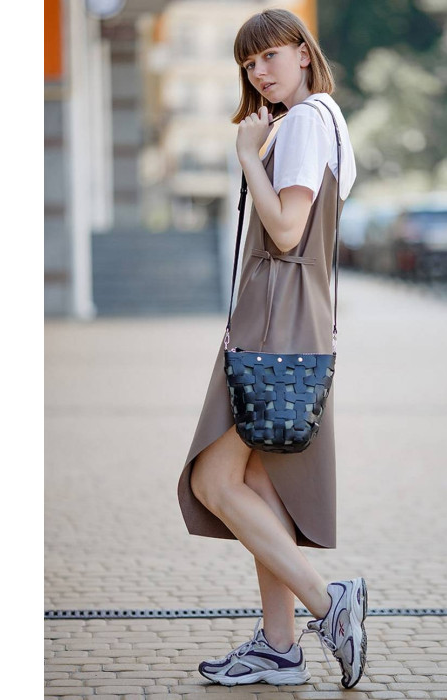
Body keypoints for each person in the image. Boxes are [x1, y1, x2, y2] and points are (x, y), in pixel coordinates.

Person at [176, 8, 367, 689]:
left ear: (304, 53)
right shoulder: (322, 120)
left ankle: (327, 603)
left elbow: (286, 230)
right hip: (293, 316)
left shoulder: (307, 121)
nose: (259, 72)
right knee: (257, 484)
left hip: (274, 322)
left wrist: (245, 157)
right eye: (248, 63)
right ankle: (280, 647)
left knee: (213, 479)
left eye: (270, 56)